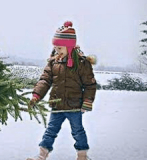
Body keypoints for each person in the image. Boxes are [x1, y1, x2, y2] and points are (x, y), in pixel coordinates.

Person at [26, 21, 96, 160]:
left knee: (77, 131)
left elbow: (90, 84)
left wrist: (87, 101)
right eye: (55, 48)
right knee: (50, 131)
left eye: (60, 48)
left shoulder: (82, 63)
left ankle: (82, 156)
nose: (57, 51)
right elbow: (44, 80)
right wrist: (36, 95)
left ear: (69, 46)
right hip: (57, 104)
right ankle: (41, 155)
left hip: (75, 105)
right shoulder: (53, 62)